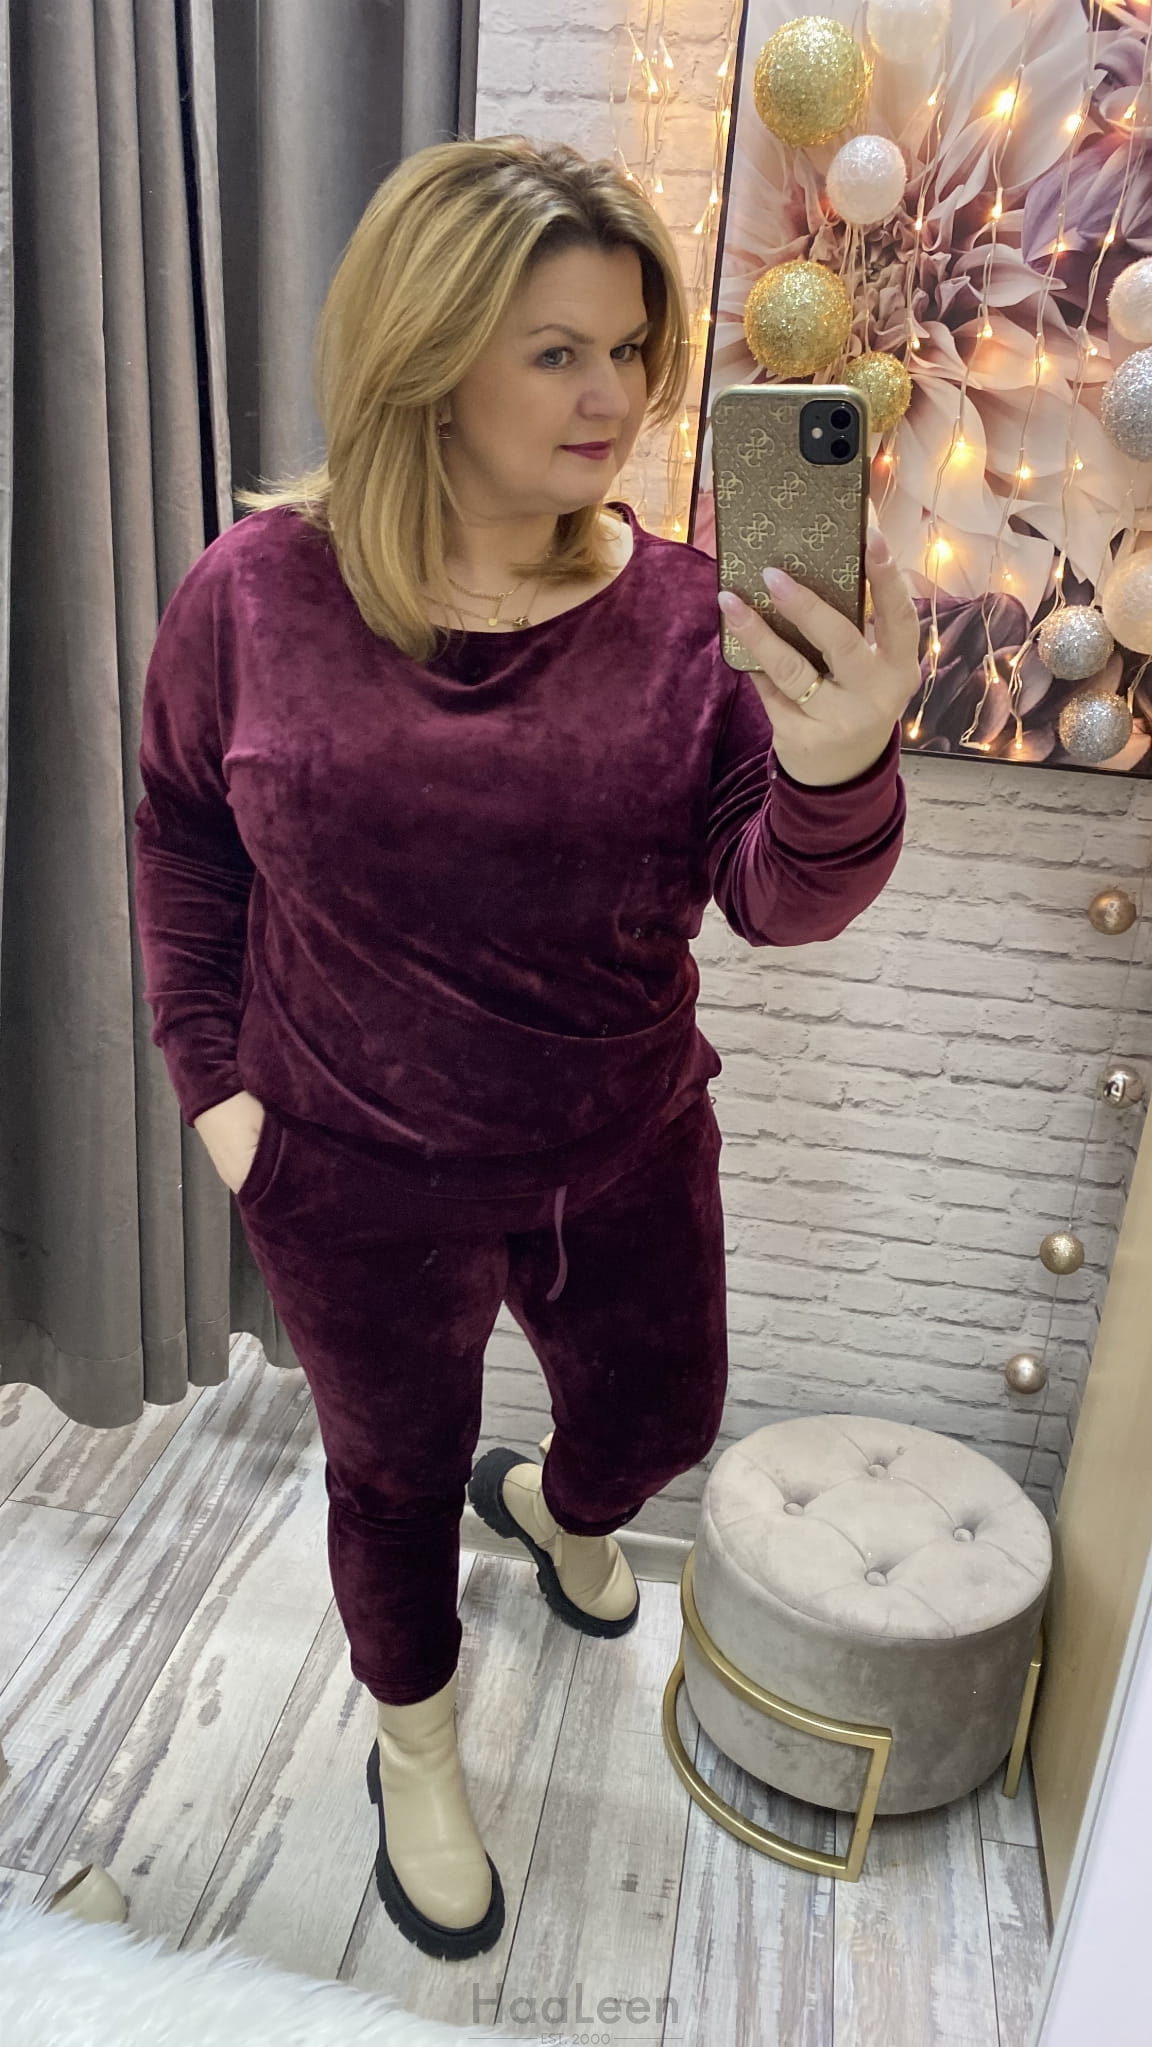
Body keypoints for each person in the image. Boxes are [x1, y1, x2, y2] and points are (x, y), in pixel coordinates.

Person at [131, 135, 920, 1963]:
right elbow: (180, 835)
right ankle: (418, 1754)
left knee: (661, 1421)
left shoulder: (689, 618)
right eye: (555, 351)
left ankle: (564, 1515)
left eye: (631, 349)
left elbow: (778, 901)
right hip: (344, 1169)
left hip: (620, 1149)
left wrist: (832, 769)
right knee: (391, 1483)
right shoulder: (252, 593)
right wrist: (219, 1097)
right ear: (425, 357)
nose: (615, 397)